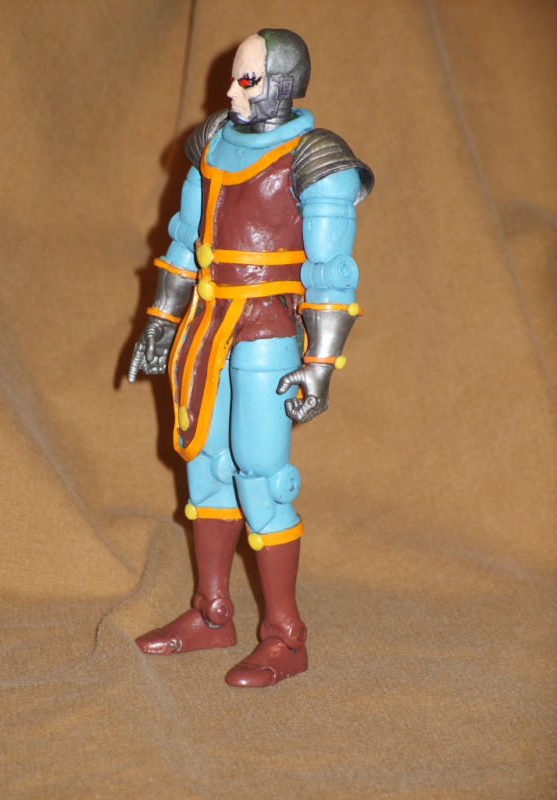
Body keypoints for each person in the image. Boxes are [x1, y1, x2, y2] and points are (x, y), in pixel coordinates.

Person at [128, 29, 373, 687]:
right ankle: (212, 613)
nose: (234, 92)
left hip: (266, 331)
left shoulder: (317, 158)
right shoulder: (212, 143)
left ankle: (285, 636)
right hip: (206, 327)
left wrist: (320, 363)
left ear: (284, 85)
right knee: (207, 468)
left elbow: (330, 270)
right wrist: (160, 320)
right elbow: (187, 239)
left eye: (249, 79)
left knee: (262, 476)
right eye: (234, 78)